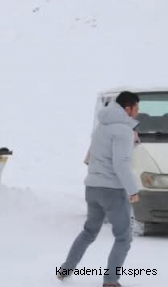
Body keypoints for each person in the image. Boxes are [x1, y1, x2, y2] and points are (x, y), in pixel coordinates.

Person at [57, 91, 140, 287]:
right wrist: (133, 190)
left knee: (89, 232)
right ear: (127, 109)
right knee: (123, 237)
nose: (137, 113)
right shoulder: (123, 130)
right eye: (136, 109)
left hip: (93, 187)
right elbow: (121, 164)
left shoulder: (101, 127)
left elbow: (94, 156)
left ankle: (65, 270)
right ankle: (111, 281)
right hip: (112, 189)